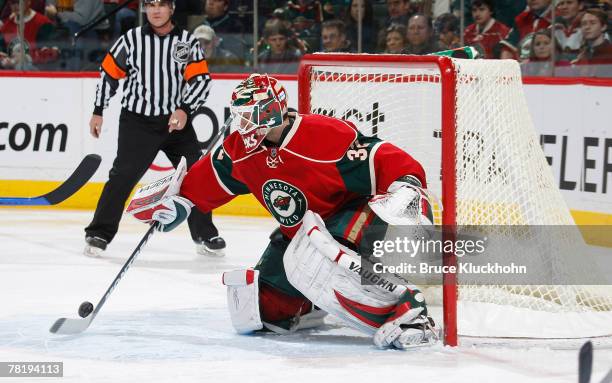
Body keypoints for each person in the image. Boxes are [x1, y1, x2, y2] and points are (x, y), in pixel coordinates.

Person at [129, 73, 439, 349]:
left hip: (347, 218)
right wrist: (180, 203)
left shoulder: (324, 136)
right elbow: (206, 179)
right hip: (299, 234)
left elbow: (383, 158)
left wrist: (407, 184)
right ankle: (314, 303)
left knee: (325, 261)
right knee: (265, 313)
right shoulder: (240, 150)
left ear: (270, 112)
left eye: (249, 116)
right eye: (240, 116)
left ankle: (409, 309)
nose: (242, 125)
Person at [84, 0, 224, 257]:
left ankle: (204, 233)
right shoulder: (132, 39)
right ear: (145, 9)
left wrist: (185, 108)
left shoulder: (186, 42)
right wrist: (98, 110)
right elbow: (108, 74)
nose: (156, 10)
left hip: (175, 124)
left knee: (196, 175)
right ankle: (98, 232)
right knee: (123, 176)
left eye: (161, 4)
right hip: (137, 122)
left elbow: (201, 81)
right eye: (150, 4)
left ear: (171, 8)